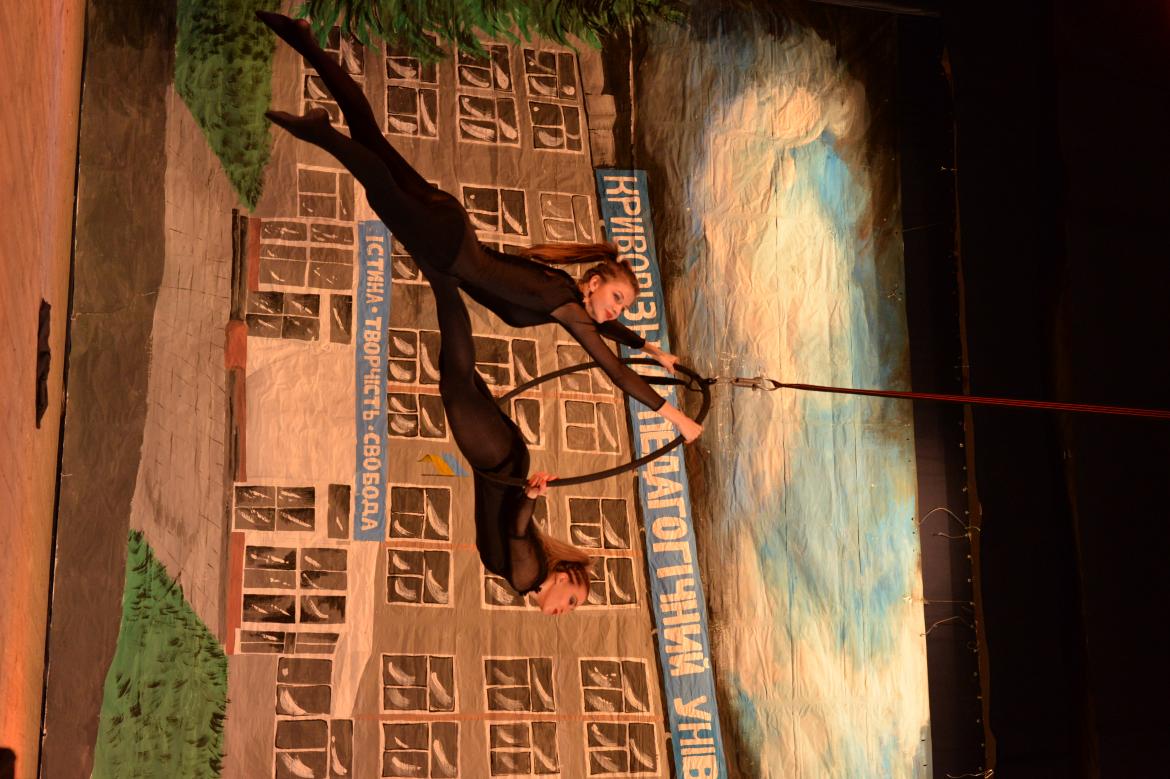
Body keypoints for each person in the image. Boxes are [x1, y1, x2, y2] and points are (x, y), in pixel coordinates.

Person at [257, 10, 703, 443]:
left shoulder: (567, 293)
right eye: (617, 299)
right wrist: (678, 419)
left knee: (371, 140)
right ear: (595, 283)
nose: (617, 311)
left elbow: (607, 330)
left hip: (452, 230)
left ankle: (304, 41)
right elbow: (615, 371)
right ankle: (322, 133)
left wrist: (652, 350)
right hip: (448, 246)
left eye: (623, 307)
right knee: (378, 181)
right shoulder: (564, 304)